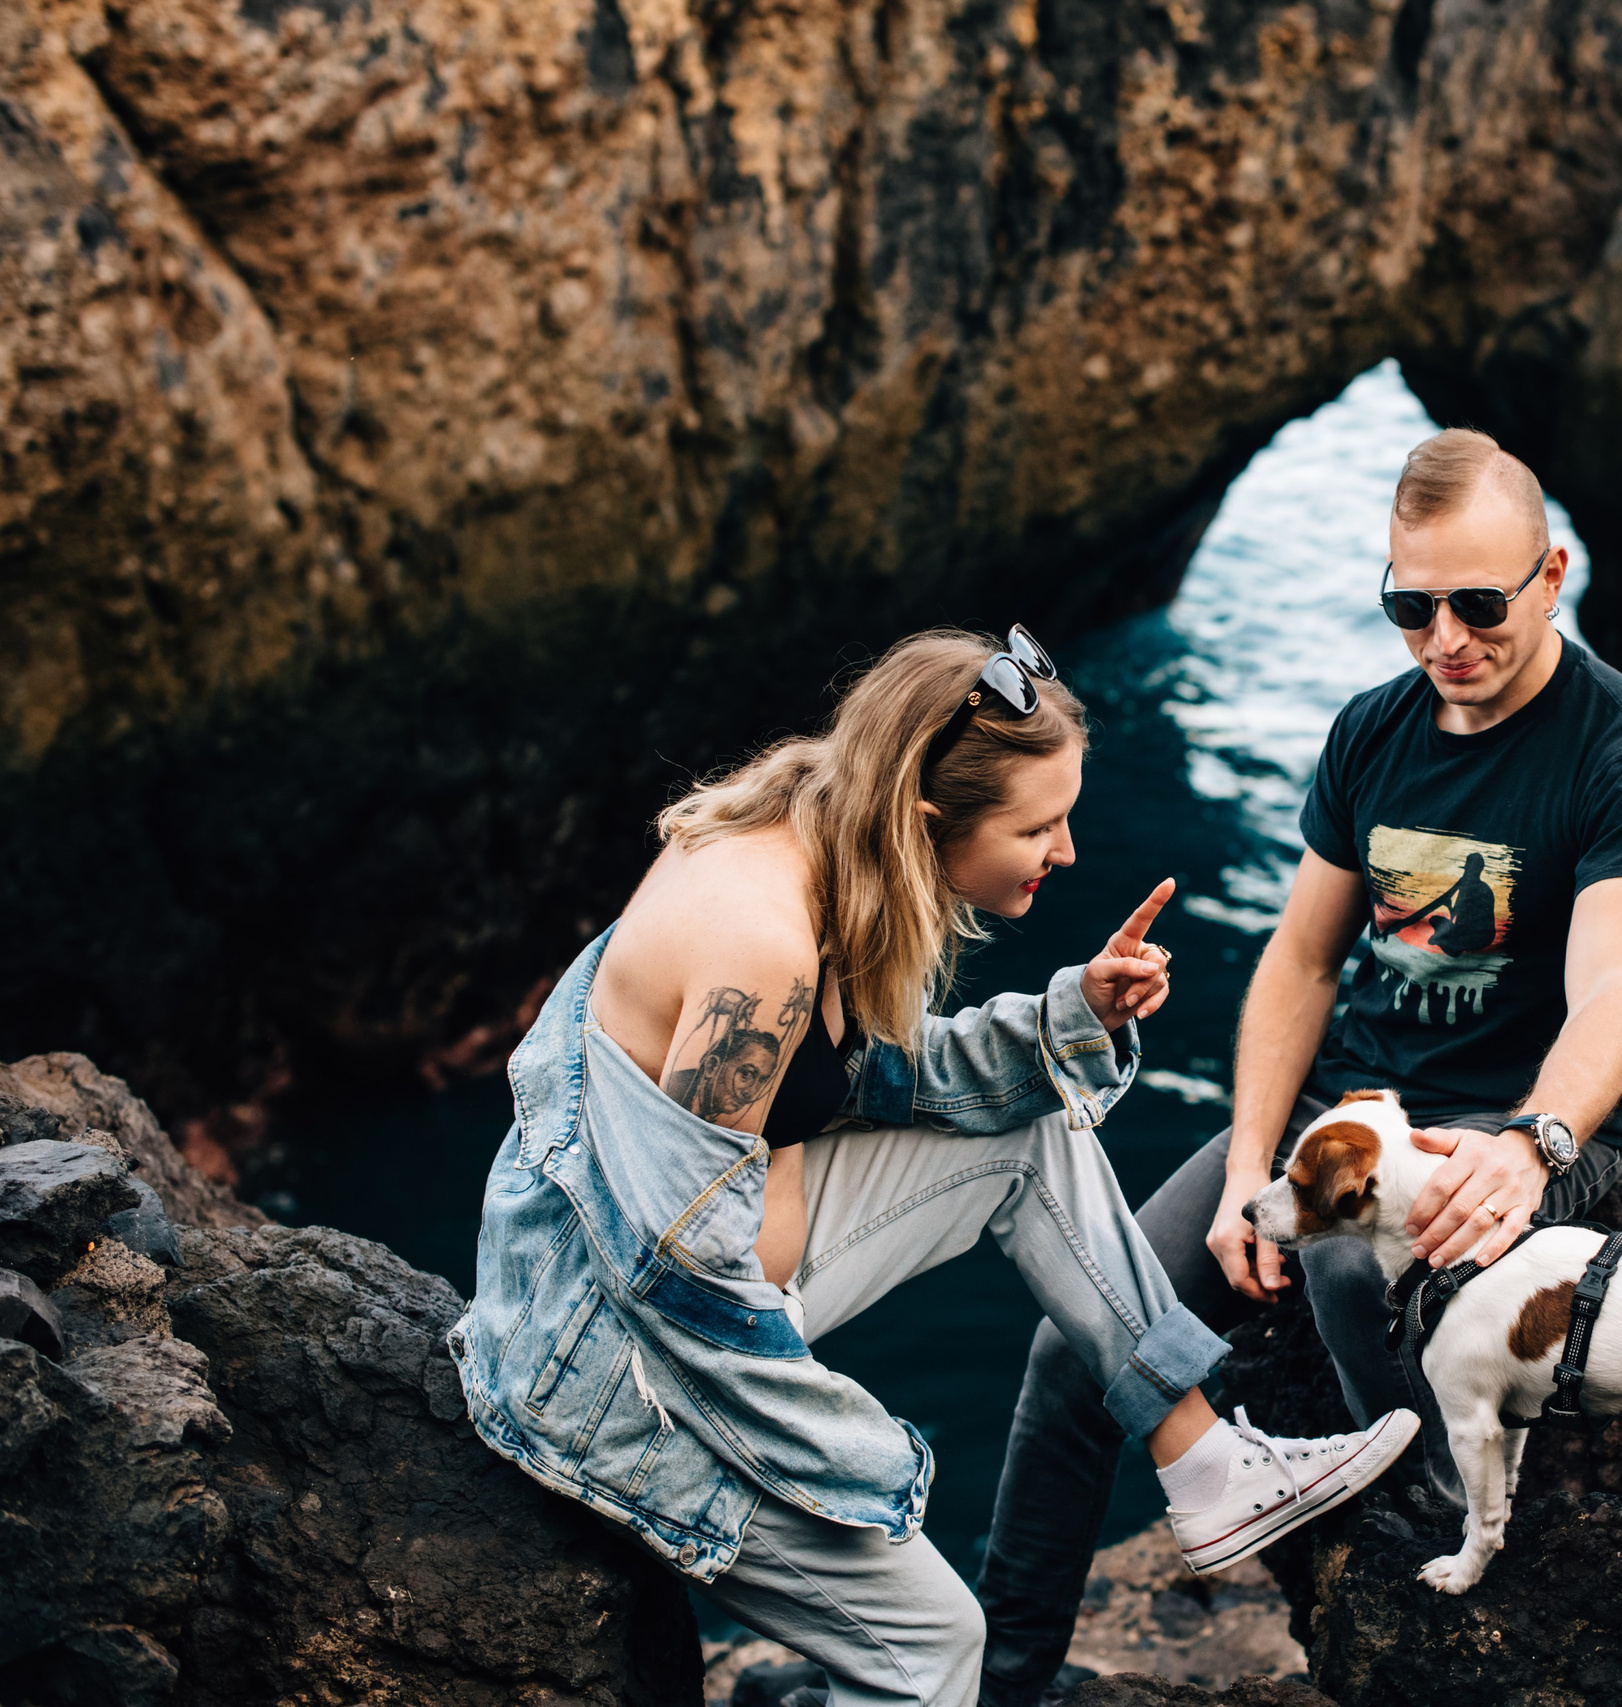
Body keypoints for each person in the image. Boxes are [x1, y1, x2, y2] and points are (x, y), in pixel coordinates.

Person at [448, 627, 1417, 1707]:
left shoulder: (810, 825)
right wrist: (869, 1463)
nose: (1066, 853)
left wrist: (1069, 1015)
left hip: (694, 1268)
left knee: (1033, 1128)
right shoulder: (759, 938)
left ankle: (1203, 1468)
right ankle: (1196, 1470)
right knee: (936, 1648)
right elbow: (679, 1282)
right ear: (925, 819)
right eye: (1037, 826)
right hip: (622, 1361)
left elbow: (853, 1081)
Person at [975, 430, 1622, 1706]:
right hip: (1347, 1116)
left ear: (1553, 575)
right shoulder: (1373, 733)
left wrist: (1536, 1142)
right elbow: (1302, 961)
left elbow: (1618, 987)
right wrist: (1248, 1165)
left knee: (1336, 1260)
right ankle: (1003, 1682)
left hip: (1504, 1124)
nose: (1446, 639)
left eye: (1479, 604)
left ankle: (1448, 1528)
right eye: (1409, 604)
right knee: (1075, 1351)